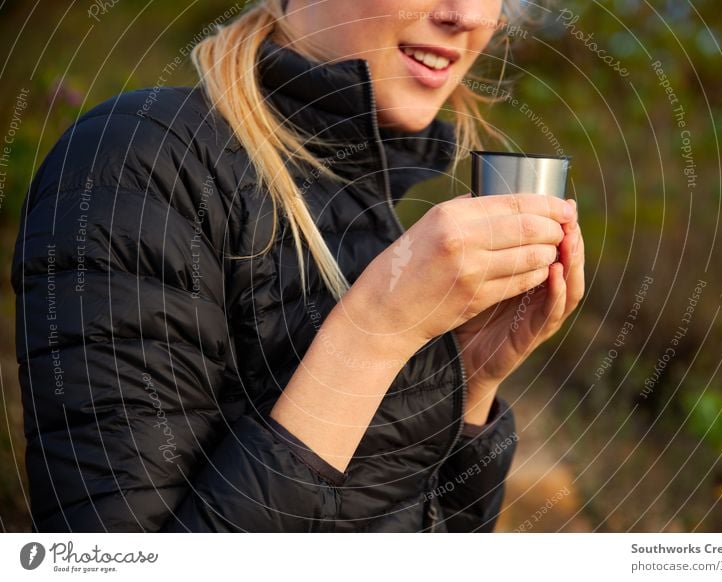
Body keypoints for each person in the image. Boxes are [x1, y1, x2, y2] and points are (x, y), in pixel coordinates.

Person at [12, 0, 584, 532]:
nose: (467, 15)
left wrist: (472, 378)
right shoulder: (143, 162)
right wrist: (375, 333)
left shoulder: (370, 206)